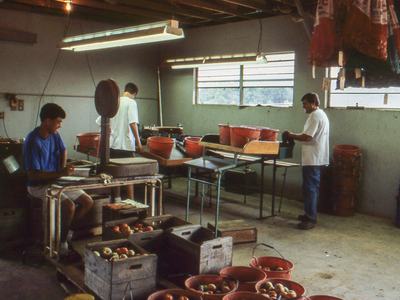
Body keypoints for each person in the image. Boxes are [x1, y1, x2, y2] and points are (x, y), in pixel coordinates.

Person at [24, 103, 93, 255]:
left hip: (54, 180)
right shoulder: (32, 141)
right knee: (69, 206)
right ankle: (60, 245)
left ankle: (66, 234)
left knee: (88, 201)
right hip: (37, 186)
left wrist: (62, 170)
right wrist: (60, 173)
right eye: (58, 121)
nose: (60, 125)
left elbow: (63, 150)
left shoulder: (54, 135)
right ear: (47, 121)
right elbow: (33, 175)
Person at [283, 93, 329, 230]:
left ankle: (310, 219)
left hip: (313, 158)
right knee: (310, 188)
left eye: (305, 104)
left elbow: (307, 137)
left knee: (310, 189)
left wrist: (290, 135)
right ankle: (309, 213)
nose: (303, 106)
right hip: (316, 157)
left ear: (314, 103)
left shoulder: (315, 116)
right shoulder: (321, 114)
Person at [96, 82, 143, 200]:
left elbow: (101, 121)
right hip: (125, 146)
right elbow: (133, 123)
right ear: (134, 93)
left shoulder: (114, 102)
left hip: (111, 145)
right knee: (128, 175)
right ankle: (131, 201)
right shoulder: (131, 102)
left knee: (115, 174)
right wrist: (139, 143)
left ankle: (116, 199)